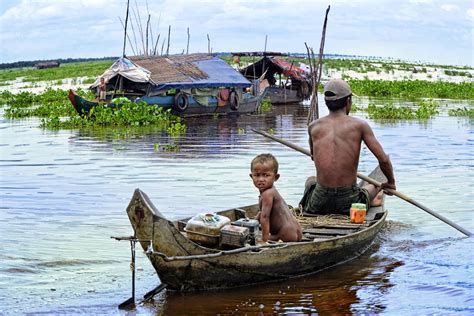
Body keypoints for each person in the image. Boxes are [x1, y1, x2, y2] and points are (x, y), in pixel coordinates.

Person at [300, 79, 396, 215]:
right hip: (348, 202)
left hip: (319, 202)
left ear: (326, 103)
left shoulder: (313, 127)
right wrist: (390, 182)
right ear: (348, 101)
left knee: (310, 181)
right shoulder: (360, 126)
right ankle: (374, 197)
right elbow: (384, 160)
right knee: (375, 185)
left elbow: (314, 157)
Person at [250, 154, 302, 242]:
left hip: (285, 234)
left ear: (276, 177)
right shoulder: (273, 191)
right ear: (251, 176)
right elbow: (261, 213)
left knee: (255, 239)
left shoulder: (267, 194)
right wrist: (251, 224)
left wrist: (264, 240)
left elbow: (265, 217)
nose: (261, 179)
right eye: (257, 175)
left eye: (266, 175)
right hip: (296, 231)